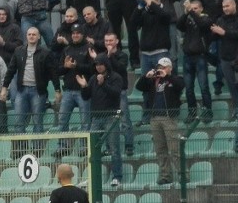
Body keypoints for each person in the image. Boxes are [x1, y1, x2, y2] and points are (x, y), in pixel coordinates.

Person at [135, 57, 185, 185]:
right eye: (159, 67)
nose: (160, 70)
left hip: (168, 117)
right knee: (160, 149)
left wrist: (167, 77)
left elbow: (180, 85)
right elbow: (140, 87)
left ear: (169, 68)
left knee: (174, 149)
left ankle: (183, 174)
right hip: (155, 118)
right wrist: (146, 77)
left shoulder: (175, 79)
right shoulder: (153, 81)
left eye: (163, 67)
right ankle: (165, 175)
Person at [2, 27, 61, 133]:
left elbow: (53, 73)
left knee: (37, 122)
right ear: (26, 36)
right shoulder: (18, 50)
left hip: (38, 91)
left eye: (34, 34)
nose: (31, 36)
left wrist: (57, 90)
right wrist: (4, 87)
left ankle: (36, 149)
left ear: (39, 37)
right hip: (21, 90)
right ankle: (21, 149)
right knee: (19, 122)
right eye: (29, 34)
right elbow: (11, 70)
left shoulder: (45, 52)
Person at [77, 53, 123, 186]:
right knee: (92, 149)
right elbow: (86, 97)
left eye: (100, 64)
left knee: (114, 149)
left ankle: (117, 177)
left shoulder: (115, 78)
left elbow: (116, 94)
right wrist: (84, 87)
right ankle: (92, 177)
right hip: (96, 118)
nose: (98, 67)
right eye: (96, 64)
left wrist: (103, 84)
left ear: (106, 64)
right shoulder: (92, 79)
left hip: (111, 117)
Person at [211, 0, 238, 118]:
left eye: (227, 6)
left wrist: (224, 33)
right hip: (225, 57)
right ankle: (237, 108)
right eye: (223, 7)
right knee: (231, 85)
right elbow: (216, 37)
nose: (225, 9)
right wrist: (214, 33)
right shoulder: (220, 20)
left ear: (234, 5)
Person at [177, 0, 213, 123]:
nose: (193, 10)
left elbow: (202, 25)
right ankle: (191, 113)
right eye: (191, 8)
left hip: (200, 57)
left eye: (195, 8)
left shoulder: (206, 19)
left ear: (201, 8)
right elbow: (179, 25)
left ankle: (208, 112)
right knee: (188, 89)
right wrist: (186, 13)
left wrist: (191, 12)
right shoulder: (188, 18)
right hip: (187, 57)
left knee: (203, 87)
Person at [57, 24, 93, 134]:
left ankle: (84, 148)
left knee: (85, 122)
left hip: (83, 91)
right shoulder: (66, 49)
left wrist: (77, 66)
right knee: (62, 120)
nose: (75, 35)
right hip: (68, 90)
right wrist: (66, 67)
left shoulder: (89, 48)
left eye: (78, 33)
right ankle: (62, 147)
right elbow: (59, 70)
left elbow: (93, 69)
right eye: (73, 33)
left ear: (82, 35)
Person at [103, 32, 134, 155]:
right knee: (107, 121)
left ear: (116, 41)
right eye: (106, 41)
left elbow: (120, 68)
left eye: (111, 40)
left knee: (125, 119)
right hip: (106, 92)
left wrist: (110, 56)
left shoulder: (122, 55)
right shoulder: (102, 56)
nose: (108, 43)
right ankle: (109, 147)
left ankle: (129, 145)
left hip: (120, 92)